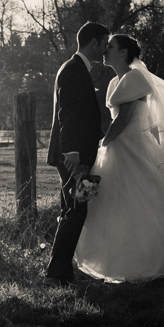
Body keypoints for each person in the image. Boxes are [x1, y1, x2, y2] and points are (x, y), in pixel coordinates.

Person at [74, 34, 164, 283]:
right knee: (120, 204)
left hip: (132, 147)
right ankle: (122, 260)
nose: (105, 50)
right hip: (122, 145)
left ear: (123, 52)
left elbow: (124, 119)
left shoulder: (134, 78)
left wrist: (102, 144)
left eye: (110, 46)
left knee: (140, 201)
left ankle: (148, 260)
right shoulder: (117, 81)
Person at [44, 21, 109, 287]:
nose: (106, 48)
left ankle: (61, 272)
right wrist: (72, 152)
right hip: (73, 156)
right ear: (93, 42)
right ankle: (56, 274)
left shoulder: (76, 68)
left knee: (71, 209)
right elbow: (67, 113)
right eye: (104, 43)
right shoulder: (73, 69)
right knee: (76, 211)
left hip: (75, 153)